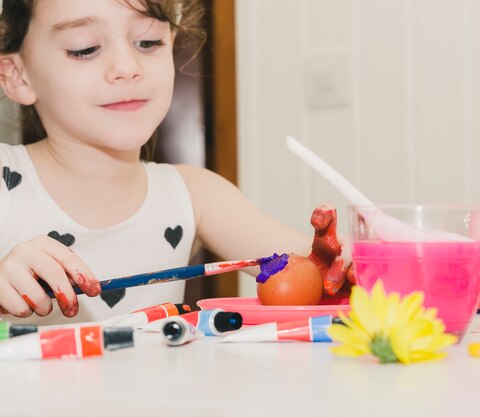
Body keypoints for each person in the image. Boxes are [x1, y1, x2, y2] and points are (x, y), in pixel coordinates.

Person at [0, 0, 321, 325]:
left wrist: (363, 252)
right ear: (18, 77)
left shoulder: (195, 194)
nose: (127, 66)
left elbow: (320, 269)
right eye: (85, 49)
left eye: (149, 42)